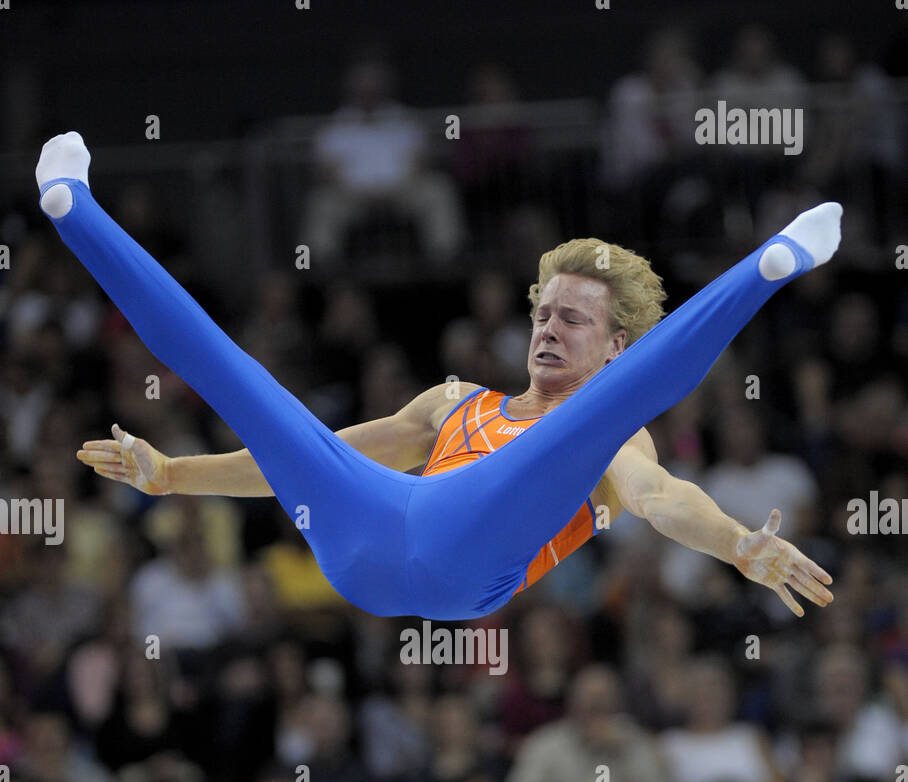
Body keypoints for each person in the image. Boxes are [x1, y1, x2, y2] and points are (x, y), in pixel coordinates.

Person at [38, 132, 840, 622]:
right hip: (366, 537)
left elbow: (661, 499)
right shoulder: (452, 401)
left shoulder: (614, 435)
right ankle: (72, 206)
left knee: (604, 418)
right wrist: (174, 474)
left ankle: (768, 266)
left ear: (615, 345)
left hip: (470, 555)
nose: (548, 331)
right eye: (543, 313)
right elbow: (311, 457)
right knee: (239, 377)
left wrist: (737, 545)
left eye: (574, 320)